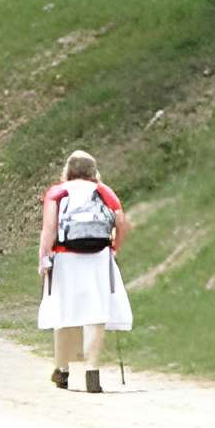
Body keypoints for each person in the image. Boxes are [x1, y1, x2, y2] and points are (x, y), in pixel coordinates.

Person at [37, 149, 131, 392]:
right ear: (93, 171)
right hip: (99, 256)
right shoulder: (103, 191)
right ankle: (92, 372)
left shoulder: (58, 192)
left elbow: (49, 228)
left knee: (64, 310)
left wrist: (43, 258)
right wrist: (115, 247)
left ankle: (63, 371)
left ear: (68, 171)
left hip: (66, 257)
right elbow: (121, 222)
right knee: (97, 312)